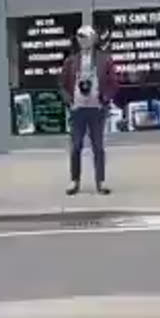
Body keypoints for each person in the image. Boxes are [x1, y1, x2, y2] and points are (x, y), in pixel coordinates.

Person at [60, 25, 117, 195]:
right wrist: (69, 101)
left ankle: (101, 181)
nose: (82, 40)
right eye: (79, 37)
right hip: (78, 109)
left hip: (96, 108)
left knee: (98, 146)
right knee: (76, 146)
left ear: (93, 39)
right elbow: (62, 85)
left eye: (85, 37)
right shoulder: (71, 61)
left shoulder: (104, 59)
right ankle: (74, 181)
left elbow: (114, 82)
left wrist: (105, 98)